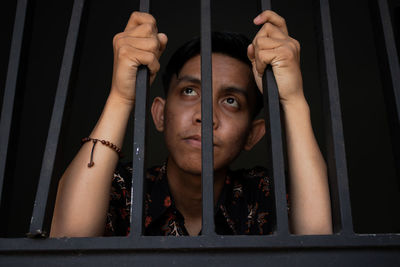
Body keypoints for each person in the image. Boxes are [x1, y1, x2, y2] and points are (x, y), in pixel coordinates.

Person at [49, 10, 332, 237]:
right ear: (160, 113)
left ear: (253, 134)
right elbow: (67, 237)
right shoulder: (126, 190)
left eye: (231, 100)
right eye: (189, 91)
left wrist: (292, 100)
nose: (205, 116)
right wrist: (121, 97)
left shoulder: (261, 194)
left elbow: (318, 238)